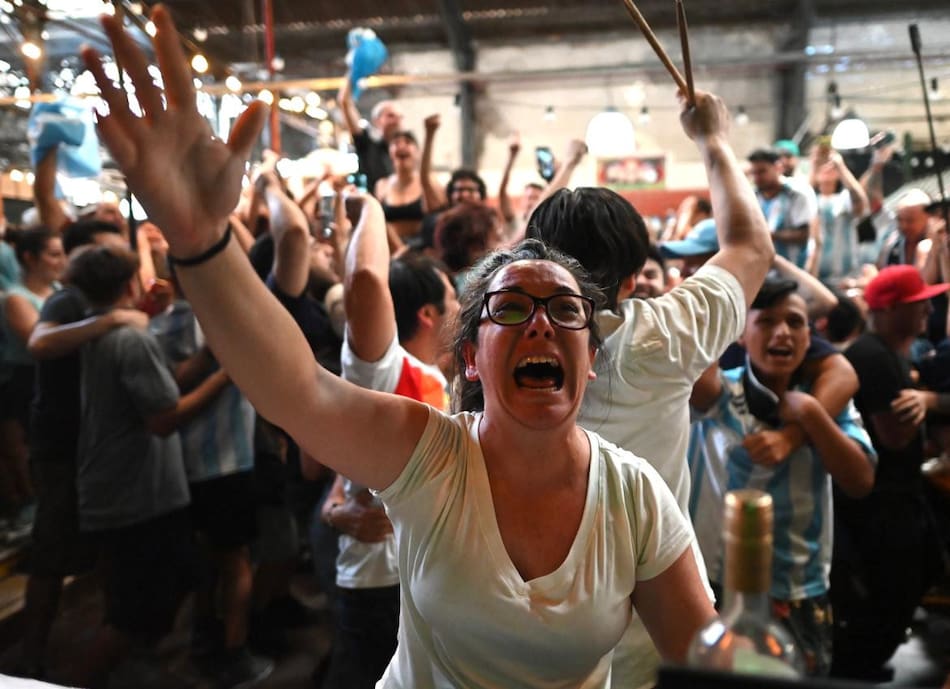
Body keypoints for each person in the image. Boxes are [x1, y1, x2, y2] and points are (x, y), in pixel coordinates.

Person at [83, 8, 714, 687]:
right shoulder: (432, 456)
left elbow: (704, 656)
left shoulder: (634, 495)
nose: (541, 323)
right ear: (470, 356)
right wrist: (202, 244)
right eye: (511, 307)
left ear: (589, 360)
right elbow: (299, 389)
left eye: (566, 310)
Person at [527, 98, 855, 688]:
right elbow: (752, 247)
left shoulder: (501, 346)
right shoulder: (664, 337)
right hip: (654, 628)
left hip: (524, 634)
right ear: (632, 279)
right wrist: (710, 138)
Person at [687, 277, 875, 676]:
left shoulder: (828, 404)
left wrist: (808, 418)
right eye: (766, 322)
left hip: (798, 589)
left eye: (795, 322)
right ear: (741, 333)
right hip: (713, 584)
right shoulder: (718, 395)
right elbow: (698, 336)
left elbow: (860, 481)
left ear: (811, 337)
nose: (782, 333)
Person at [317, 192, 458, 689]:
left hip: (419, 580)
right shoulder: (384, 369)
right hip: (378, 582)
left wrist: (335, 505)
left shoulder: (441, 377)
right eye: (454, 300)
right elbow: (366, 281)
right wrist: (369, 208)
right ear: (427, 315)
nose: (462, 308)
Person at [834, 265, 950, 680]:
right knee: (888, 593)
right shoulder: (874, 356)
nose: (926, 310)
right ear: (886, 310)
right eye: (914, 304)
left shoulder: (886, 354)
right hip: (879, 504)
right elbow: (897, 436)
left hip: (889, 500)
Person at [0, 227, 67, 535]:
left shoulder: (59, 290)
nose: (61, 260)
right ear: (30, 258)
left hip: (54, 382)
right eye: (53, 254)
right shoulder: (16, 298)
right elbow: (36, 341)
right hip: (29, 382)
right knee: (30, 451)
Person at [747, 147, 817, 270]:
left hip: (793, 271)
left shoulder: (796, 194)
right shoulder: (753, 196)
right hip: (763, 273)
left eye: (762, 171)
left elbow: (803, 234)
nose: (757, 177)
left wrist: (768, 235)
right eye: (754, 173)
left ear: (778, 167)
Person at [809, 148, 868, 288]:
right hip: (814, 276)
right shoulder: (809, 200)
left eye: (830, 167)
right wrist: (814, 165)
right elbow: (803, 195)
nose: (826, 169)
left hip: (844, 278)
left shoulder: (844, 199)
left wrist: (840, 166)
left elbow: (859, 200)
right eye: (822, 167)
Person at [338, 73, 403, 194]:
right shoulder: (367, 146)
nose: (396, 120)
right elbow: (345, 102)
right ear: (377, 121)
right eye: (390, 116)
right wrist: (356, 69)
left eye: (399, 117)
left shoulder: (408, 149)